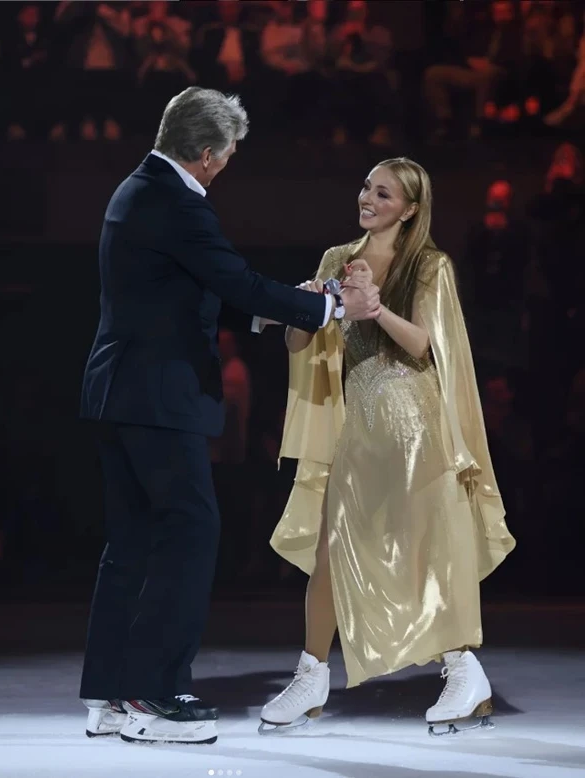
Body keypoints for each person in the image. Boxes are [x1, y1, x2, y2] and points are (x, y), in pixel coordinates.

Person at [78, 86, 380, 746]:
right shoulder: (178, 202)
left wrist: (283, 307)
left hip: (121, 393)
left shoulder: (139, 188)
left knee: (131, 543)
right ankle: (155, 694)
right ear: (210, 154)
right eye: (231, 152)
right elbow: (234, 281)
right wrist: (329, 307)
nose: (230, 162)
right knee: (190, 531)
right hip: (159, 399)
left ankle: (109, 693)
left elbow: (199, 293)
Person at [259, 157, 516, 737]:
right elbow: (302, 343)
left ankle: (463, 670)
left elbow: (426, 344)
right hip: (358, 426)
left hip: (416, 424)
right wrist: (303, 307)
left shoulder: (429, 264)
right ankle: (311, 675)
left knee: (428, 548)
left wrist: (375, 308)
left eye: (384, 194)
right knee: (331, 550)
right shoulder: (336, 258)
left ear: (410, 209)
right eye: (366, 188)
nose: (368, 199)